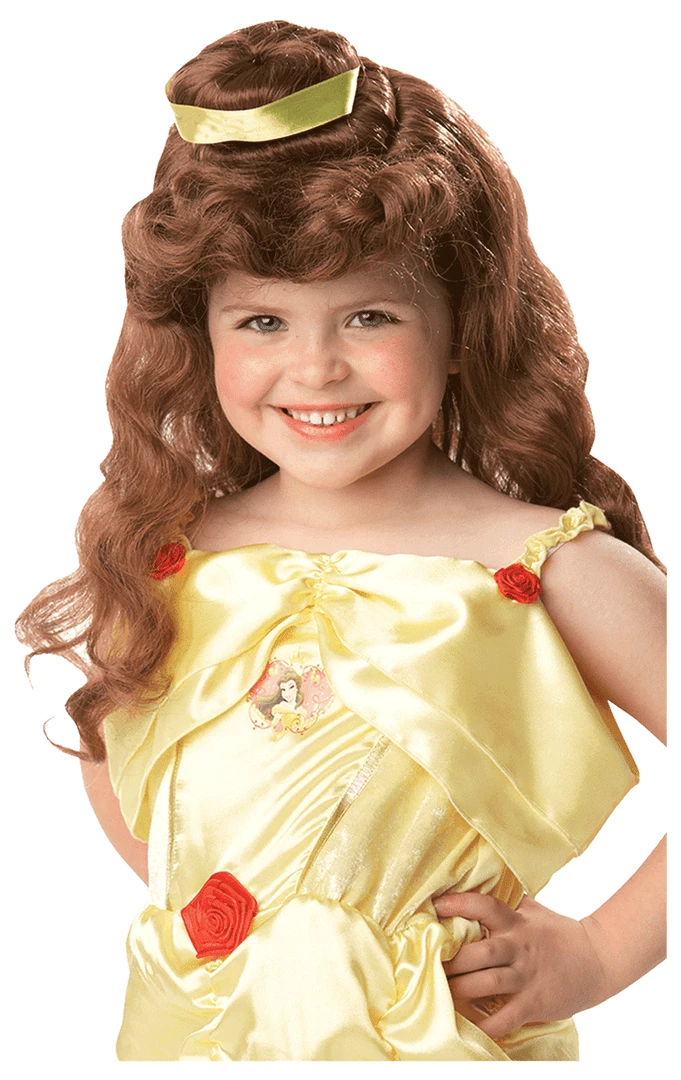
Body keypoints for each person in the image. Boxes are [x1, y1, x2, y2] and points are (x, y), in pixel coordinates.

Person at [16, 20, 669, 1065]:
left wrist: (597, 954)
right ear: (200, 335)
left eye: (368, 317)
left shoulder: (545, 567)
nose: (315, 368)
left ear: (459, 325)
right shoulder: (173, 562)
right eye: (262, 322)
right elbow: (130, 777)